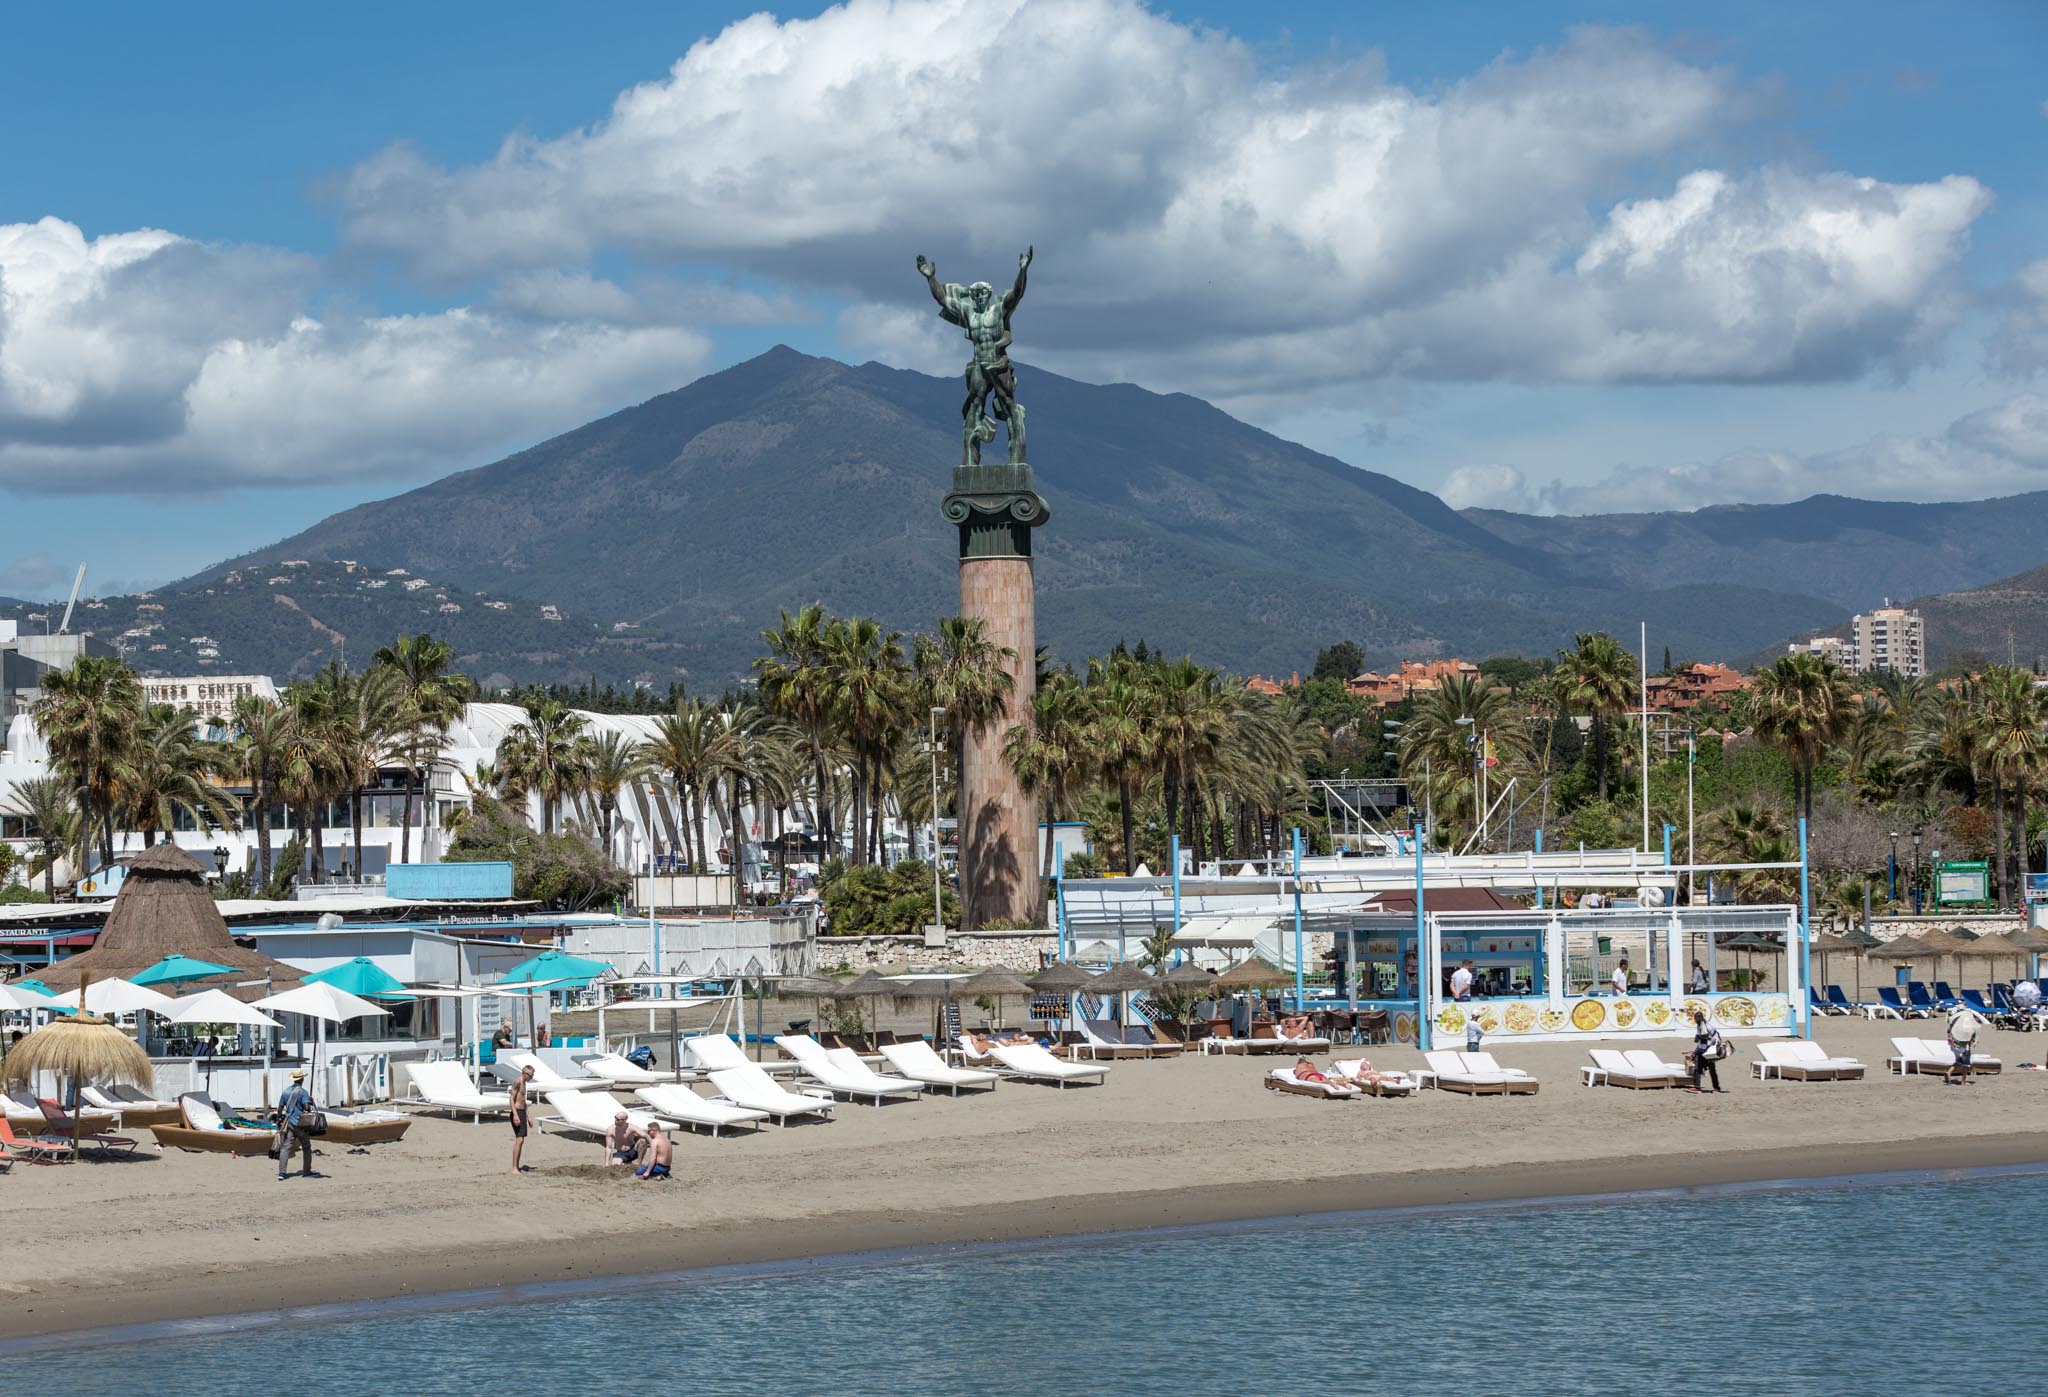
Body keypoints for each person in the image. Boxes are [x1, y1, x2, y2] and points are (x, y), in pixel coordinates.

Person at [275, 1068, 316, 1180]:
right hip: (300, 1123)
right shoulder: (303, 1092)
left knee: (285, 1148)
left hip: (288, 1122)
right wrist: (310, 1101)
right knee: (306, 1147)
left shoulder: (285, 1092)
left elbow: (279, 1109)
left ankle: (282, 1173)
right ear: (302, 1079)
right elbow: (306, 1108)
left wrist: (279, 1121)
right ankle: (307, 1171)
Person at [1685, 1009, 1725, 1093]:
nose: (1695, 1020)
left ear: (1700, 1018)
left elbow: (1707, 1037)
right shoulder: (1700, 1025)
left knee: (1699, 1068)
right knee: (1710, 1070)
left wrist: (1698, 1042)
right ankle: (1716, 1088)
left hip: (1707, 1051)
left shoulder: (1705, 1026)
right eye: (1695, 1018)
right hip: (1705, 1049)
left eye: (1696, 1018)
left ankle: (1699, 1087)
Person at [1944, 1003, 1980, 1085]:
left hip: (1952, 1043)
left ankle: (1949, 1072)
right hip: (1963, 1045)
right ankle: (1963, 1081)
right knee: (1966, 1064)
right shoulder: (1967, 1021)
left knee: (1959, 1060)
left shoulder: (1953, 1019)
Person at [509, 1064, 535, 1173]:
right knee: (519, 1140)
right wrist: (515, 1115)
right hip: (517, 1113)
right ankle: (514, 1168)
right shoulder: (517, 1082)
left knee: (521, 1140)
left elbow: (523, 1100)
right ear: (525, 1073)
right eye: (530, 1075)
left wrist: (528, 1116)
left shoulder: (524, 1083)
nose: (531, 1078)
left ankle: (517, 1167)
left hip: (522, 1112)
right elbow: (511, 1099)